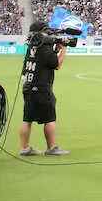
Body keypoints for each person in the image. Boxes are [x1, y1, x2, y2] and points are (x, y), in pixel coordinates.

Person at [19, 21, 69, 156]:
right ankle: (52, 148)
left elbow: (43, 60)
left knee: (27, 119)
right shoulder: (45, 48)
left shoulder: (32, 46)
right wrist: (64, 49)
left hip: (29, 86)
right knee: (49, 118)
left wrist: (55, 50)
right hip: (41, 88)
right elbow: (56, 65)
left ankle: (25, 148)